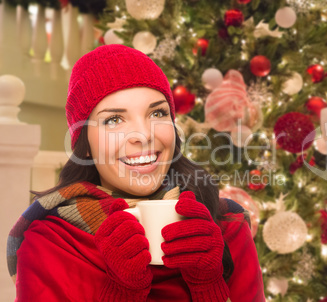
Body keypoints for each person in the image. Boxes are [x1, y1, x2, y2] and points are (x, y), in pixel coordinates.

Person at [7, 44, 264, 301]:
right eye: (114, 120)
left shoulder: (227, 224)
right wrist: (121, 292)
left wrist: (208, 286)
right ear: (85, 147)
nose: (143, 135)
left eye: (157, 113)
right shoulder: (50, 243)